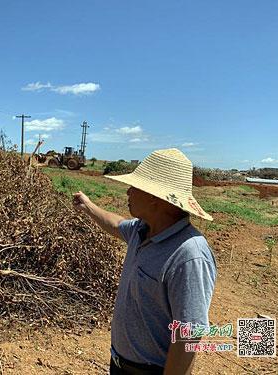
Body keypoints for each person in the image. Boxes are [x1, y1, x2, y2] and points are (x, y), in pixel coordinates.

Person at [73, 148, 216, 375]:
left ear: (154, 197)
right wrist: (88, 206)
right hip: (119, 363)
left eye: (136, 186)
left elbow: (188, 335)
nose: (128, 191)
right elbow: (115, 223)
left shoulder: (189, 255)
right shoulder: (142, 230)